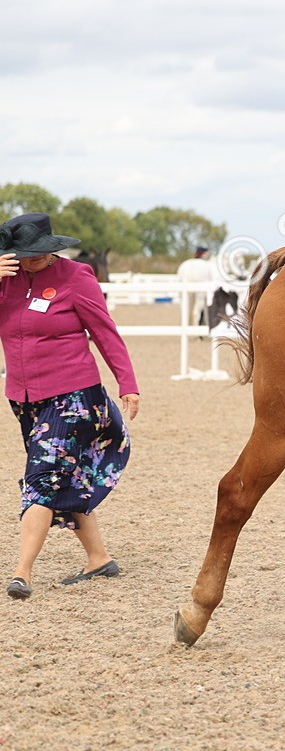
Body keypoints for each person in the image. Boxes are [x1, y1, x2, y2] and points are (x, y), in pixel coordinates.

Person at [0, 213, 140, 599]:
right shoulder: (5, 283)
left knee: (42, 479)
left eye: (38, 254)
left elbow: (104, 331)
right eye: (23, 254)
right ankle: (99, 558)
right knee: (67, 477)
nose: (32, 260)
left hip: (75, 396)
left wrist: (127, 383)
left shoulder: (76, 277)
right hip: (24, 398)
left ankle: (21, 573)